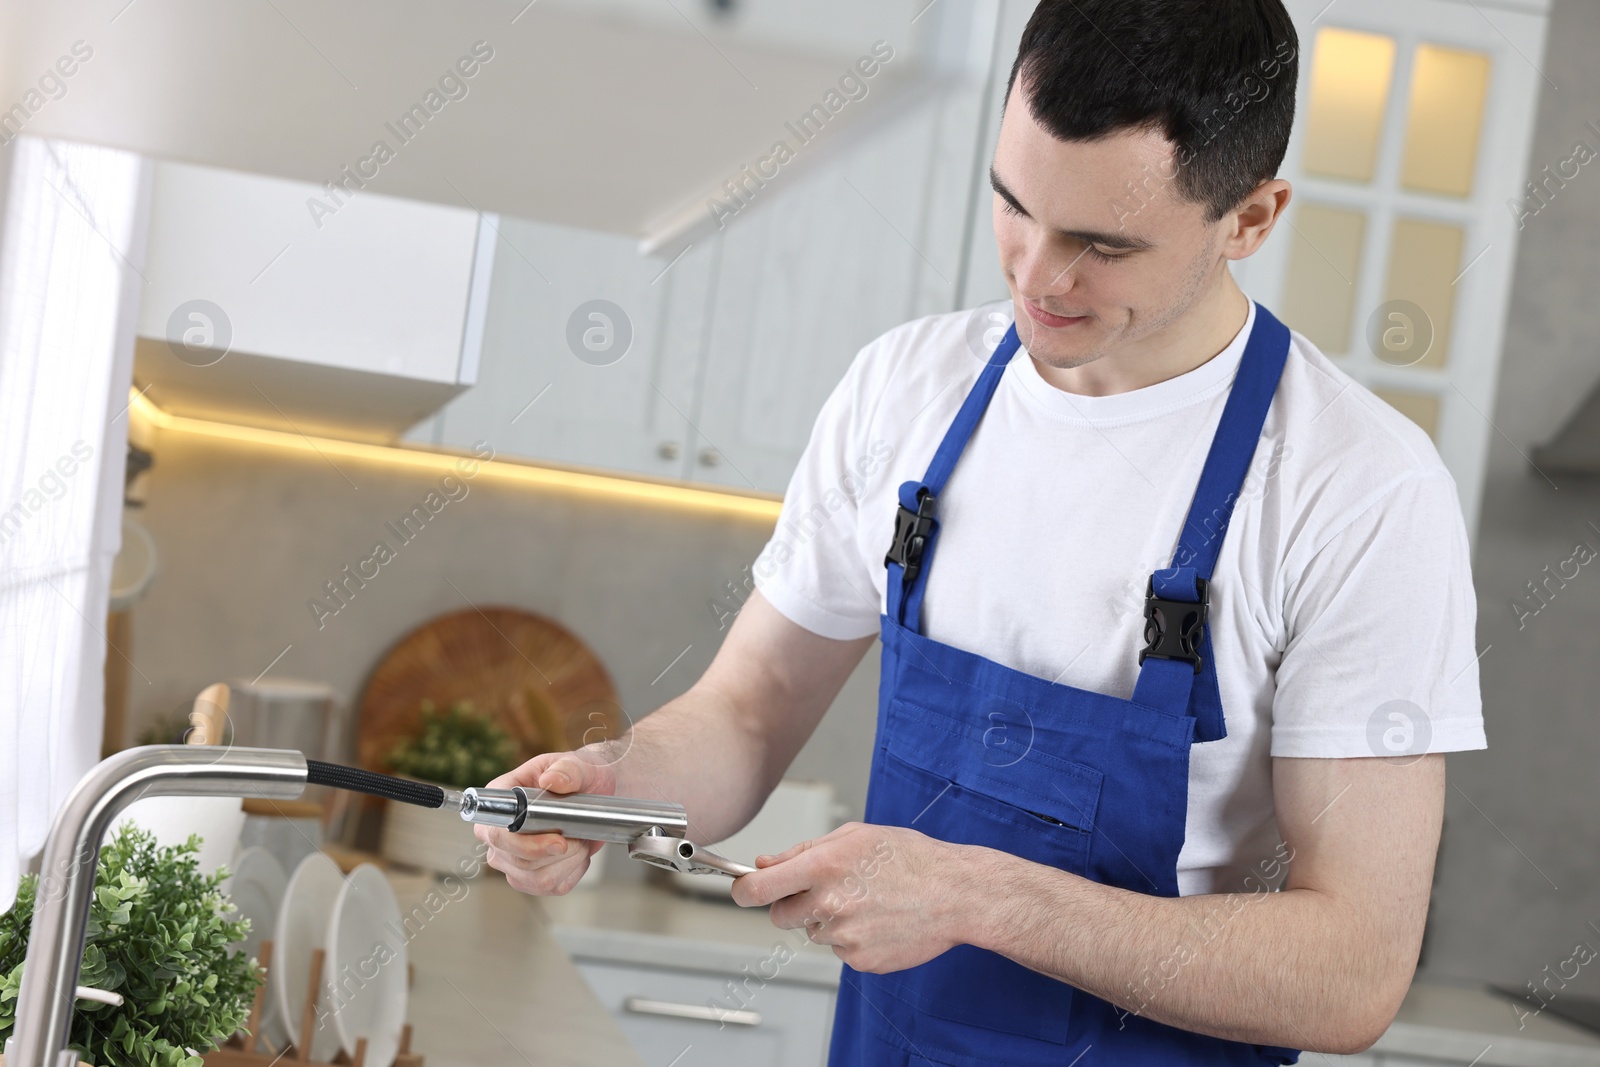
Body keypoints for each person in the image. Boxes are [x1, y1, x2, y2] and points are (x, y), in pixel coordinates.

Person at [475, 1, 1486, 1062]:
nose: (1038, 277)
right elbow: (753, 703)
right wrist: (616, 780)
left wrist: (978, 896)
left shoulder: (1357, 488)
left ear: (1250, 218)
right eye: (1012, 204)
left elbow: (1353, 968)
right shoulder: (905, 390)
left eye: (1102, 243)